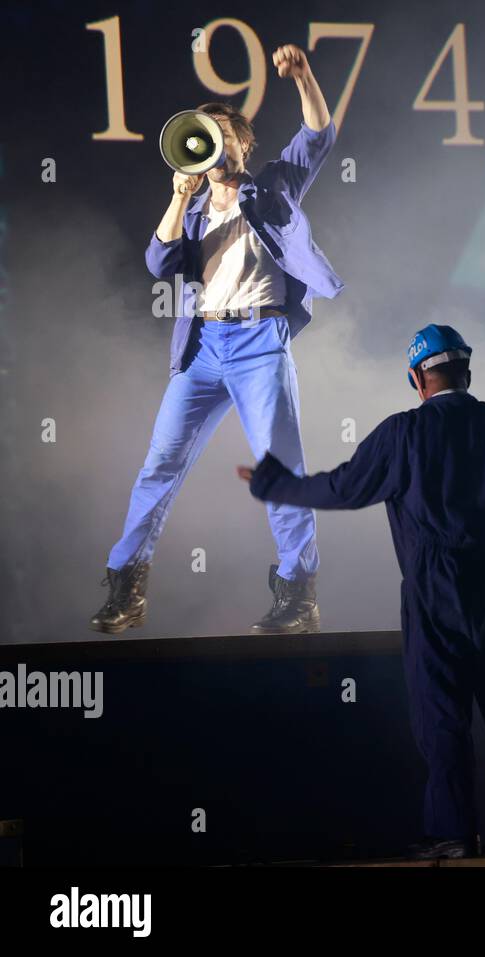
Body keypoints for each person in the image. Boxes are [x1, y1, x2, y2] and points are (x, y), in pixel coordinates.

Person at [240, 324, 485, 859]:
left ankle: (455, 835)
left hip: (431, 590)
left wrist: (274, 484)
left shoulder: (401, 435)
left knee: (442, 714)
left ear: (417, 378)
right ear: (466, 371)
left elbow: (342, 487)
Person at [91, 44, 344, 636]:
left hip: (261, 340)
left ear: (243, 144)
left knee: (280, 469)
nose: (210, 139)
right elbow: (159, 261)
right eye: (203, 132)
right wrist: (179, 195)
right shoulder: (196, 207)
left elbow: (319, 136)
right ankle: (126, 587)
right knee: (159, 465)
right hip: (202, 347)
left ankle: (298, 595)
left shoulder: (274, 187)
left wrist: (304, 77)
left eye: (221, 129)